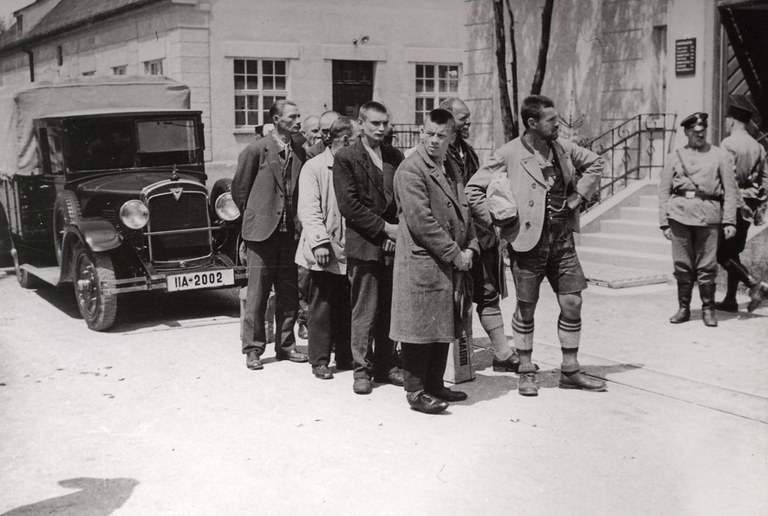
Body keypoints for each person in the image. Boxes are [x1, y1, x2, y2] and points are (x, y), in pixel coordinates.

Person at [466, 94, 606, 396]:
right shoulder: (509, 153)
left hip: (562, 241)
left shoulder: (561, 149)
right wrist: (499, 222)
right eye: (551, 121)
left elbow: (595, 163)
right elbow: (474, 189)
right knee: (526, 308)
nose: (557, 125)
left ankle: (570, 370)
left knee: (573, 302)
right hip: (527, 243)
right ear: (532, 123)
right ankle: (526, 371)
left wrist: (578, 195)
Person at [391, 108, 479, 414]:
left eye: (442, 136)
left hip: (446, 263)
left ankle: (435, 384)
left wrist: (472, 246)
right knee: (419, 328)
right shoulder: (410, 169)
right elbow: (422, 223)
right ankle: (415, 391)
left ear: (451, 137)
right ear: (420, 133)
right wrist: (457, 254)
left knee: (443, 324)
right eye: (429, 134)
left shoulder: (450, 166)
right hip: (423, 262)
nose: (434, 141)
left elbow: (464, 211)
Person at [440, 97, 522, 373]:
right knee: (453, 299)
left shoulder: (468, 152)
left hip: (480, 235)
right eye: (463, 118)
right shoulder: (435, 154)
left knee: (488, 293)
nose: (468, 123)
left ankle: (501, 353)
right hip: (452, 239)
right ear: (449, 119)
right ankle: (454, 363)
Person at [333, 101, 404, 395]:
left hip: (393, 244)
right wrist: (383, 228)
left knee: (389, 308)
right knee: (365, 310)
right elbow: (349, 206)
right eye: (374, 123)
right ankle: (362, 370)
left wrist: (395, 230)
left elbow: (402, 198)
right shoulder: (346, 158)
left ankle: (387, 365)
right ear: (360, 123)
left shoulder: (394, 156)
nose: (380, 129)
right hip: (365, 245)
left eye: (384, 123)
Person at [232, 100, 309, 370]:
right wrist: (256, 215)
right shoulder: (256, 150)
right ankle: (253, 349)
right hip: (261, 234)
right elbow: (239, 190)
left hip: (290, 235)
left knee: (288, 292)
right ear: (276, 120)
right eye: (292, 116)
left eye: (299, 116)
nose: (298, 120)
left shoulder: (300, 151)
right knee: (257, 294)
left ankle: (286, 345)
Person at [658, 112, 739, 327]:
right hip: (679, 216)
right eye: (695, 132)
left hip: (709, 215)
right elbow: (664, 191)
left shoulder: (720, 155)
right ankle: (683, 308)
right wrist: (664, 221)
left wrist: (730, 221)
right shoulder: (675, 156)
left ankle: (708, 309)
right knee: (682, 264)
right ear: (686, 132)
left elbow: (731, 191)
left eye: (702, 131)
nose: (699, 135)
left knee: (707, 265)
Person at [296, 117, 355, 379]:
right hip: (323, 249)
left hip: (348, 249)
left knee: (346, 304)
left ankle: (345, 355)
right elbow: (309, 209)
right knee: (321, 306)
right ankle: (319, 360)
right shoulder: (315, 167)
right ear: (343, 140)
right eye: (355, 140)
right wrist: (319, 242)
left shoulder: (352, 164)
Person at [715, 104, 768, 312]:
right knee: (734, 250)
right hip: (751, 203)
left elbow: (729, 179)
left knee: (722, 254)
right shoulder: (759, 146)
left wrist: (738, 204)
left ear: (731, 120)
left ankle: (755, 284)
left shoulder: (728, 143)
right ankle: (730, 299)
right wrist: (759, 207)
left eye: (727, 120)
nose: (726, 123)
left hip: (733, 204)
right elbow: (765, 180)